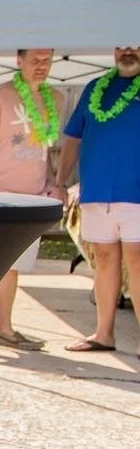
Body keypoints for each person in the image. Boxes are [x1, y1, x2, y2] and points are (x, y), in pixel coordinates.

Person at [0, 49, 66, 352]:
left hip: (32, 200)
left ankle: (3, 328)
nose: (41, 66)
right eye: (35, 60)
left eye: (47, 60)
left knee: (13, 267)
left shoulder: (56, 100)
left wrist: (51, 183)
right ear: (19, 61)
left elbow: (45, 152)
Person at [58, 45, 140, 354]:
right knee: (104, 261)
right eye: (122, 45)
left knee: (137, 261)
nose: (128, 51)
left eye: (136, 44)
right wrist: (59, 181)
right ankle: (104, 334)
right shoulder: (95, 87)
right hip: (96, 191)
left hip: (136, 194)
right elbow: (73, 137)